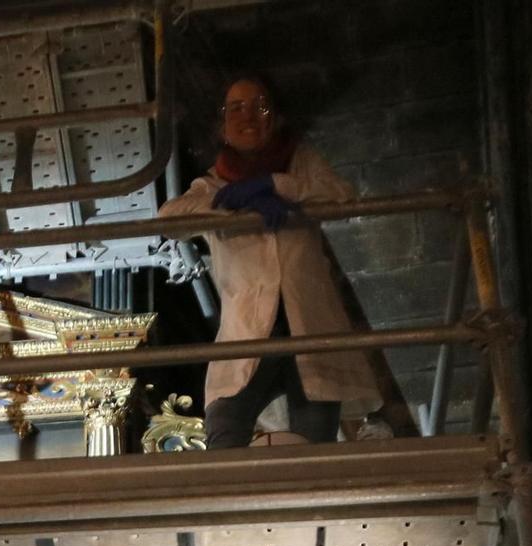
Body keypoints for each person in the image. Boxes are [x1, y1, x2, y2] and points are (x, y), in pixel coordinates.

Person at [159, 72, 379, 447]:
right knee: (225, 432)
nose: (249, 116)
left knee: (314, 447)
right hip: (246, 333)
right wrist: (233, 200)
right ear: (222, 124)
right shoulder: (212, 183)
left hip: (308, 329)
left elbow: (341, 196)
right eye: (236, 108)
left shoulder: (301, 164)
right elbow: (169, 220)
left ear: (274, 117)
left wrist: (276, 186)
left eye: (260, 106)